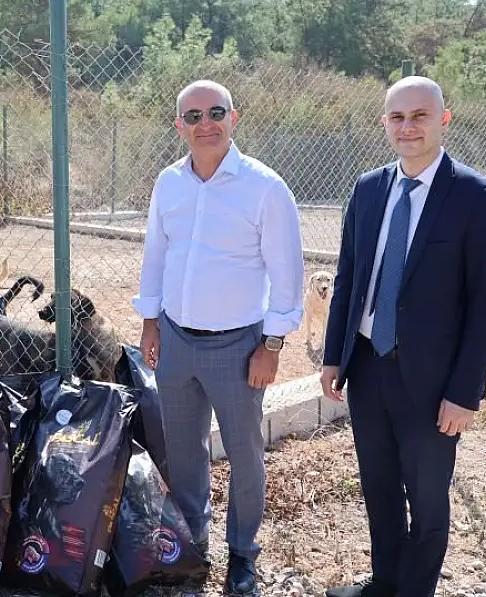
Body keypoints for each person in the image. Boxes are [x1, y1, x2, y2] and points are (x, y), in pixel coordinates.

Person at [320, 76, 486, 597]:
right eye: (397, 117)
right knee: (379, 487)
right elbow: (349, 276)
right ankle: (384, 584)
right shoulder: (368, 189)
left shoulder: (477, 196)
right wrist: (334, 354)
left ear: (443, 120)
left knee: (426, 499)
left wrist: (464, 392)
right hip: (368, 365)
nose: (408, 127)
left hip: (433, 380)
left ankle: (414, 591)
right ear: (385, 122)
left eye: (420, 116)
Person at [132, 79, 304, 597]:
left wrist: (271, 346)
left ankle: (243, 555)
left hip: (239, 347)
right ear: (178, 125)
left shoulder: (265, 188)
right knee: (185, 454)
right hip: (177, 342)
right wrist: (149, 322)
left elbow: (287, 274)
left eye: (215, 112)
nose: (204, 123)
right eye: (192, 116)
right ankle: (193, 545)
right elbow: (156, 255)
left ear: (235, 117)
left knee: (245, 454)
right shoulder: (169, 182)